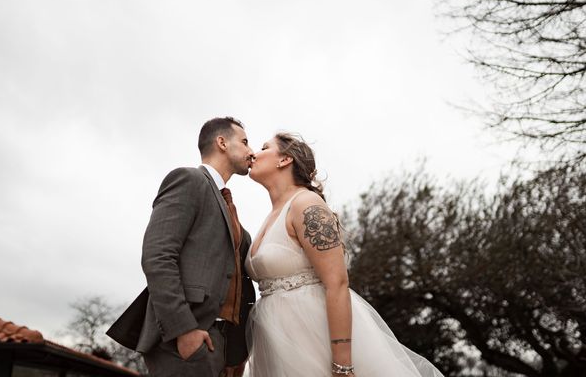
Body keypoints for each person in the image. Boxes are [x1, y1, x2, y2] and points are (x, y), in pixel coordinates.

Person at [245, 132, 445, 377]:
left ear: (284, 160)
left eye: (264, 147)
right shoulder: (270, 216)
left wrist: (342, 364)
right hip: (275, 341)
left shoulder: (306, 204)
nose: (254, 152)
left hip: (311, 335)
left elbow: (337, 282)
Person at [107, 117, 256, 377]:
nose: (251, 151)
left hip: (221, 342)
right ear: (221, 142)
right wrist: (183, 330)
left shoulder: (228, 203)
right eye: (244, 142)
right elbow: (157, 256)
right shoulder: (189, 180)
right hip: (185, 337)